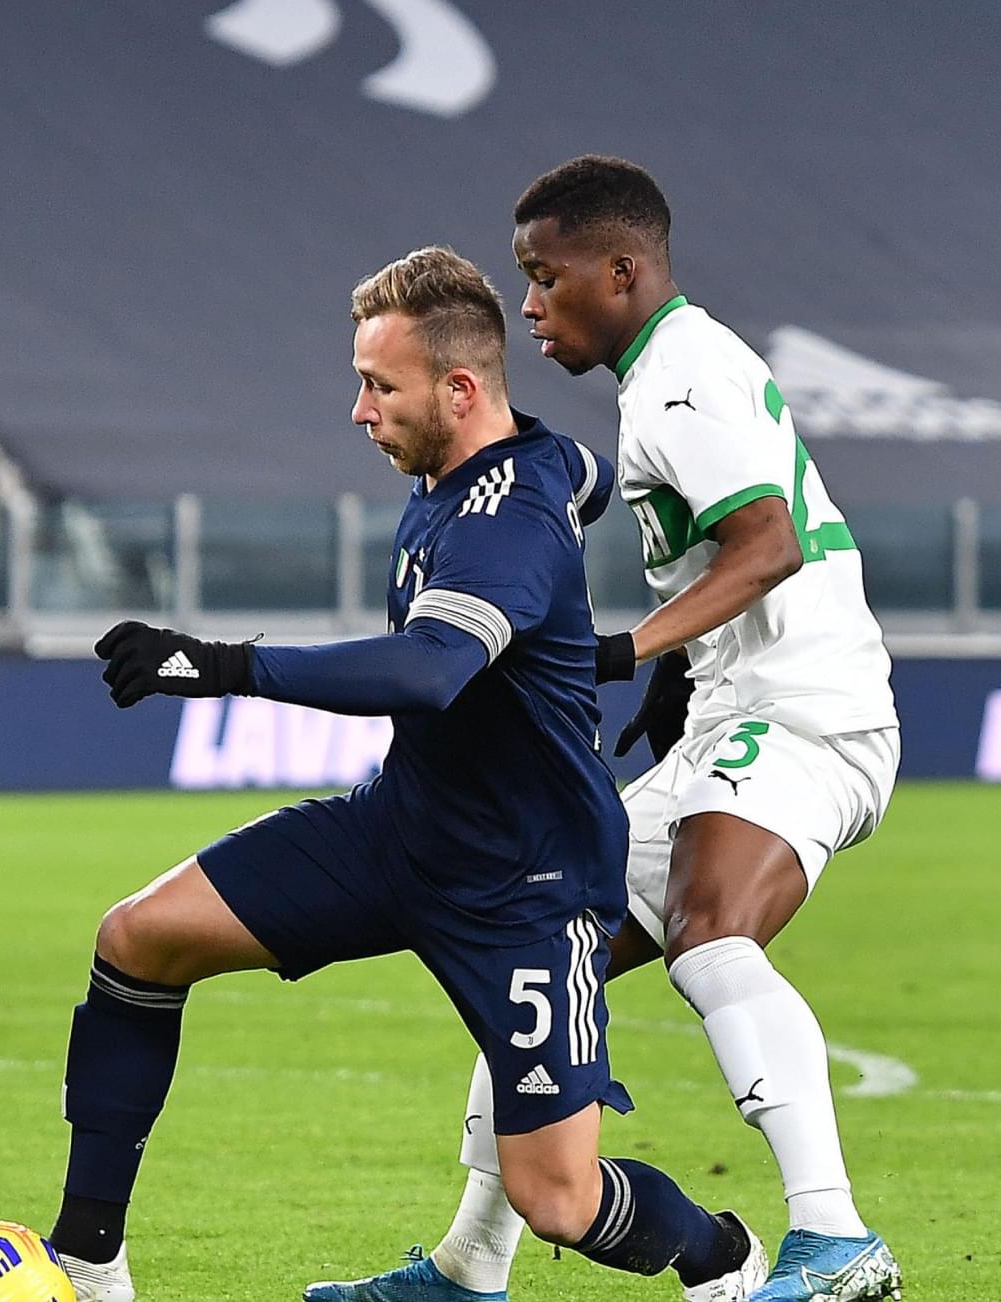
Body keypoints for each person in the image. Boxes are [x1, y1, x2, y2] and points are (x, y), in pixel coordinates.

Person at [47, 246, 765, 1302]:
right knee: (137, 940)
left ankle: (719, 1256)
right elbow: (590, 476)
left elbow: (430, 671)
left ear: (460, 390)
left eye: (379, 386)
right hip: (401, 832)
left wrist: (225, 665)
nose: (359, 410)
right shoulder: (533, 466)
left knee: (558, 1201)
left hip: (526, 887)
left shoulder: (506, 522)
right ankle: (85, 1258)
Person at [314, 157, 901, 1302]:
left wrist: (631, 650)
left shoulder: (679, 379)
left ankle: (835, 1238)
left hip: (804, 708)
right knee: (539, 947)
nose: (529, 304)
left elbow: (768, 542)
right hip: (738, 707)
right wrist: (680, 674)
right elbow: (728, 542)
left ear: (620, 272)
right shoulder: (668, 373)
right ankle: (469, 1264)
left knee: (710, 936)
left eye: (546, 277)